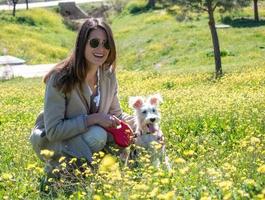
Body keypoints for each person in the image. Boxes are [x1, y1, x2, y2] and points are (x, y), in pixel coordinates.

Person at [30, 17, 134, 175]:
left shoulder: (108, 75)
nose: (101, 48)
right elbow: (54, 131)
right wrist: (94, 119)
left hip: (86, 136)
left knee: (122, 133)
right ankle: (63, 170)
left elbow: (117, 115)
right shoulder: (60, 78)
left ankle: (93, 170)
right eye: (94, 42)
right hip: (56, 141)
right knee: (98, 135)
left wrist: (143, 125)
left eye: (106, 44)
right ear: (82, 44)